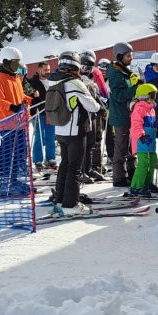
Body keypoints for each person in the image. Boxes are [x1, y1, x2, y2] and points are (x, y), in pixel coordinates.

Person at [50, 51, 100, 214]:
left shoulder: (53, 82)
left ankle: (60, 199)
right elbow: (93, 106)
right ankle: (70, 205)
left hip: (60, 130)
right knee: (74, 169)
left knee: (64, 165)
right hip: (75, 132)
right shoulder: (75, 83)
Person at [0, 46, 31, 196]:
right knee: (8, 153)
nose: (17, 66)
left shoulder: (15, 78)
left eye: (18, 63)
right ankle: (4, 182)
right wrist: (12, 107)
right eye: (14, 63)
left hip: (19, 122)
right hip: (6, 122)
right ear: (6, 62)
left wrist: (32, 100)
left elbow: (21, 98)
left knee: (19, 152)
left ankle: (12, 180)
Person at [107, 42, 139, 187]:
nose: (130, 58)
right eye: (128, 56)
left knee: (132, 146)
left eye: (131, 55)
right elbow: (119, 95)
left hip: (130, 114)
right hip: (120, 116)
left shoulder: (124, 71)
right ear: (120, 56)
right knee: (121, 147)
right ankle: (118, 178)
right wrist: (135, 89)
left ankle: (132, 172)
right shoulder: (115, 73)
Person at [79, 50, 108, 183]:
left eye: (89, 68)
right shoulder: (77, 80)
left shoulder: (91, 80)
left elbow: (97, 96)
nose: (86, 70)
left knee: (91, 143)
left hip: (93, 116)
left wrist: (102, 107)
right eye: (84, 67)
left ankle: (88, 168)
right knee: (82, 145)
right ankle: (81, 170)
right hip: (82, 117)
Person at [127, 83, 158, 198]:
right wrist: (141, 135)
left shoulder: (151, 109)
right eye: (152, 95)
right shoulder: (139, 108)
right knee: (143, 164)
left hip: (151, 141)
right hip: (142, 141)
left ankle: (147, 183)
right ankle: (136, 187)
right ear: (145, 96)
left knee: (152, 162)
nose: (154, 98)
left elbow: (153, 124)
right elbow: (136, 125)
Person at [28, 64, 57, 171]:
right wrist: (33, 94)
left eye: (49, 69)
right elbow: (27, 93)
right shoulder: (32, 81)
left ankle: (50, 158)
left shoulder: (52, 80)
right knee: (39, 136)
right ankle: (38, 159)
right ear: (39, 69)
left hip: (50, 112)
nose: (47, 71)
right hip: (38, 112)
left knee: (50, 136)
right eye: (45, 69)